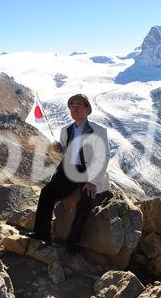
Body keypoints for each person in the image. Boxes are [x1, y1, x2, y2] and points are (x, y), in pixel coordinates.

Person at [28, 94, 110, 252]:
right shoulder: (66, 130)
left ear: (87, 109)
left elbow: (103, 156)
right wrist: (61, 148)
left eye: (79, 104)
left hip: (88, 173)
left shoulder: (98, 131)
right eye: (72, 105)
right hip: (69, 171)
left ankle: (72, 242)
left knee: (86, 201)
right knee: (47, 193)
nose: (75, 108)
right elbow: (69, 152)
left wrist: (93, 181)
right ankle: (42, 233)